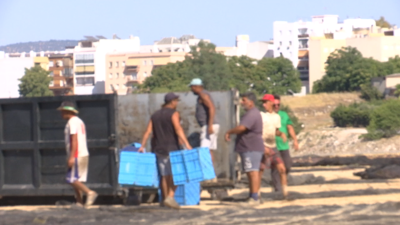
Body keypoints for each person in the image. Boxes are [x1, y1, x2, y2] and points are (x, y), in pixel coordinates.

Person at [138, 93, 192, 209]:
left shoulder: (155, 115)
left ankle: (164, 199)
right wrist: (187, 144)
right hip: (172, 148)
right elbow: (178, 129)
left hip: (159, 149)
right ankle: (171, 197)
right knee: (178, 174)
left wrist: (142, 146)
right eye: (176, 101)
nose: (177, 103)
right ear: (172, 101)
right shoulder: (174, 114)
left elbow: (148, 131)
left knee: (164, 176)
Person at [225, 92, 264, 205]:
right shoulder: (252, 113)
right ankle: (254, 196)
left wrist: (229, 132)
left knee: (252, 172)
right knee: (251, 171)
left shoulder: (251, 114)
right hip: (250, 147)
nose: (242, 103)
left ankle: (254, 197)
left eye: (244, 100)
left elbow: (242, 128)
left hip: (250, 147)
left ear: (251, 103)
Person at [57, 101, 98, 207]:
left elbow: (74, 140)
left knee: (71, 179)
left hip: (77, 155)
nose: (61, 114)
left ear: (68, 111)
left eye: (62, 112)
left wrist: (71, 157)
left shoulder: (72, 122)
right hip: (81, 154)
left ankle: (90, 192)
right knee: (77, 180)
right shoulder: (79, 121)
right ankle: (79, 202)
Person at [259, 94, 289, 199]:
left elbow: (275, 131)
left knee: (282, 169)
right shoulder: (261, 115)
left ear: (271, 103)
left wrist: (281, 134)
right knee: (260, 170)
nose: (263, 105)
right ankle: (256, 193)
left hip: (273, 146)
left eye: (265, 102)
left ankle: (285, 193)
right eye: (263, 102)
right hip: (263, 146)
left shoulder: (276, 117)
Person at [272, 95, 299, 193]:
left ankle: (282, 181)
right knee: (276, 168)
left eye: (278, 104)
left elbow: (290, 128)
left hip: (284, 146)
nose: (276, 106)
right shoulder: (267, 116)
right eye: (274, 105)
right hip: (273, 145)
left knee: (287, 165)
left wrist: (295, 140)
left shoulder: (284, 115)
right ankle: (278, 189)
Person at [189, 78, 219, 165]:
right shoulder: (203, 94)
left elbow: (211, 107)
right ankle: (211, 175)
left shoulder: (202, 94)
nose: (191, 90)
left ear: (195, 87)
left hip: (209, 125)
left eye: (191, 87)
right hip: (210, 125)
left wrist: (209, 125)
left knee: (204, 151)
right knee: (209, 150)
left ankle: (207, 174)